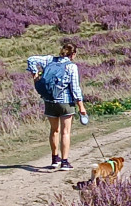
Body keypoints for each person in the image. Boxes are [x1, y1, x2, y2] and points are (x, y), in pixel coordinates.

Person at [27, 43, 87, 171]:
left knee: (54, 130)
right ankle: (64, 162)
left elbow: (31, 59)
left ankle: (55, 160)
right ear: (73, 54)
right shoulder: (71, 66)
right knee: (65, 132)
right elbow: (75, 88)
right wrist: (81, 106)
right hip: (65, 102)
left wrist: (35, 76)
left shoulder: (50, 60)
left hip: (49, 101)